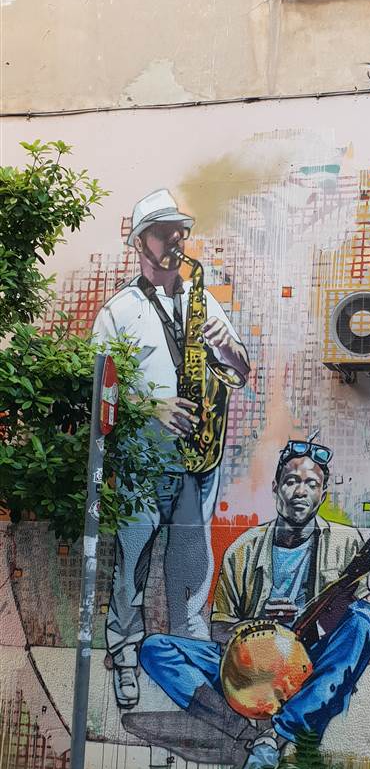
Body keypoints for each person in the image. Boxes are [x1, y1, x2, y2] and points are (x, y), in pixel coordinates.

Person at [137, 439, 370, 769]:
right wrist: (262, 623)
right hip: (248, 666)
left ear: (322, 495)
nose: (300, 492)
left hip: (308, 665)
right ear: (276, 487)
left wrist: (303, 623)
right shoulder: (243, 549)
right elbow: (219, 630)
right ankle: (248, 734)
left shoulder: (346, 543)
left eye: (312, 484)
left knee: (367, 618)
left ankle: (281, 733)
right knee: (155, 648)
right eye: (291, 481)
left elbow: (350, 626)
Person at [92, 189, 249, 710]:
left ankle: (192, 661)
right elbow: (95, 393)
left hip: (198, 460)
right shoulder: (118, 311)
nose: (177, 240)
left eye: (180, 231)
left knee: (193, 566)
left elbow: (241, 370)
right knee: (132, 565)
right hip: (143, 463)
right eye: (164, 232)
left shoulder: (204, 301)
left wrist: (227, 344)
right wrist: (150, 407)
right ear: (140, 241)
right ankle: (125, 655)